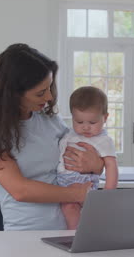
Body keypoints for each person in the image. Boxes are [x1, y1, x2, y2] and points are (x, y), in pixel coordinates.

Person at [0, 43, 104, 231]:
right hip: (27, 232)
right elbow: (20, 190)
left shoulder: (48, 118)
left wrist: (97, 165)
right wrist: (77, 194)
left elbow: (82, 157)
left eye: (49, 87)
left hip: (74, 227)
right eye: (40, 93)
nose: (49, 97)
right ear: (12, 94)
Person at [57, 86, 118, 229]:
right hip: (62, 183)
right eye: (79, 122)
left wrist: (108, 194)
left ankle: (77, 236)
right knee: (68, 208)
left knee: (81, 211)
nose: (85, 127)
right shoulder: (69, 134)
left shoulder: (104, 141)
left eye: (92, 123)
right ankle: (77, 235)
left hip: (85, 183)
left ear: (105, 118)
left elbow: (111, 166)